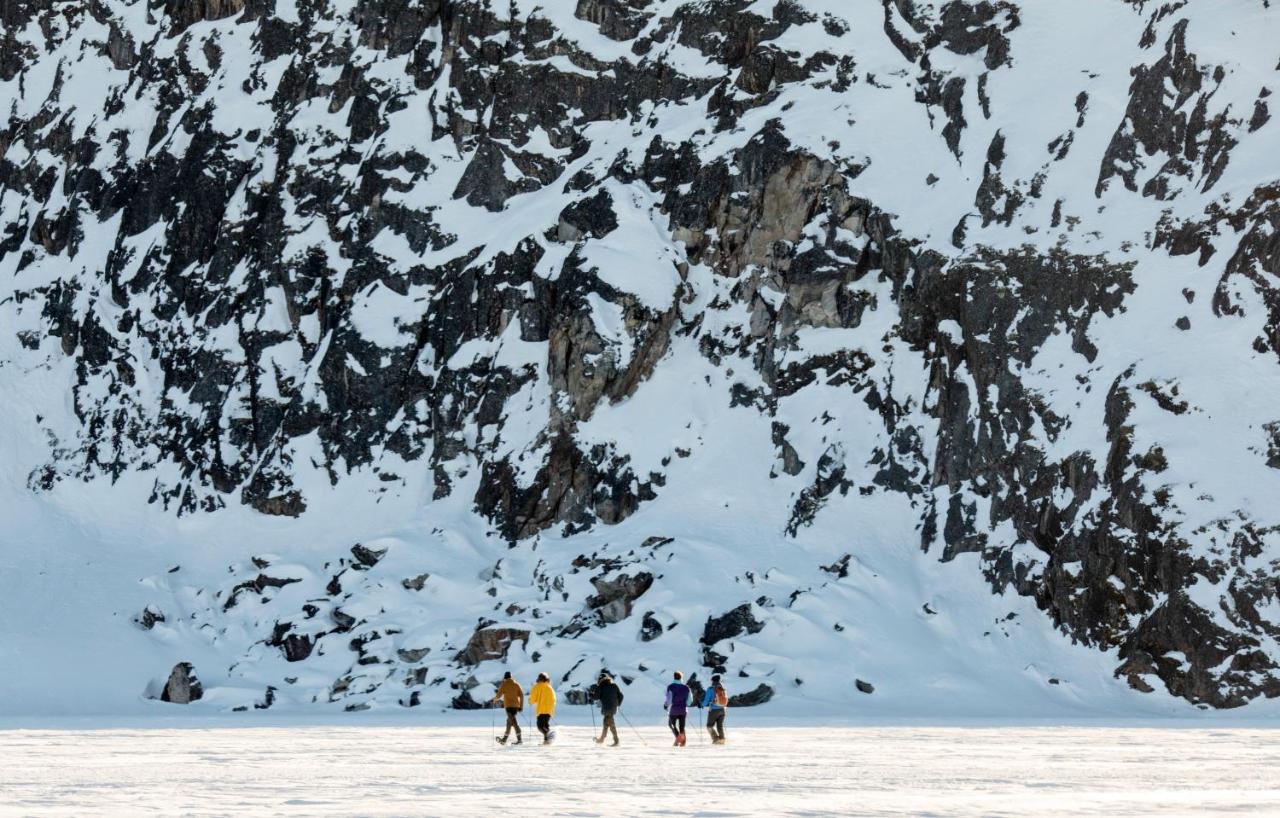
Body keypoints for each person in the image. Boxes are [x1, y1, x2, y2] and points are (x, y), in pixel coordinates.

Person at [491, 671, 524, 745]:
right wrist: (521, 706)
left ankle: (519, 740)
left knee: (513, 722)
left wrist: (494, 700)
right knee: (509, 721)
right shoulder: (516, 684)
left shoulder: (504, 684)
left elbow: (499, 695)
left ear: (505, 677)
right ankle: (504, 740)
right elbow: (521, 695)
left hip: (508, 706)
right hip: (516, 706)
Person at [592, 672, 623, 746]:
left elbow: (595, 697)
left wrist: (591, 694)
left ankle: (616, 741)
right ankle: (601, 739)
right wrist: (618, 704)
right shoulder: (614, 686)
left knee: (611, 724)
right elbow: (621, 696)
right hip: (613, 708)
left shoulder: (601, 687)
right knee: (606, 722)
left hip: (606, 708)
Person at [528, 672, 557, 744]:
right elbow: (554, 699)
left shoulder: (537, 687)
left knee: (540, 726)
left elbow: (533, 698)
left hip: (541, 710)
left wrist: (530, 701)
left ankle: (550, 734)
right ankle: (547, 741)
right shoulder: (550, 687)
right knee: (545, 725)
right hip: (549, 710)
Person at [664, 671, 690, 746]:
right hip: (683, 710)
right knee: (682, 727)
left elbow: (669, 698)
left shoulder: (671, 687)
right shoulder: (686, 687)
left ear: (674, 677)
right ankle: (683, 742)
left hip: (674, 710)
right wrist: (685, 704)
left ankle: (679, 739)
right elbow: (690, 700)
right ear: (681, 677)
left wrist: (666, 705)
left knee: (671, 725)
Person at [701, 673, 728, 744]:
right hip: (723, 709)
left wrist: (701, 705)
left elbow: (706, 701)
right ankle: (722, 739)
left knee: (709, 726)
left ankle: (716, 739)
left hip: (714, 710)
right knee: (720, 725)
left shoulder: (710, 689)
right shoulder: (722, 688)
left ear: (712, 681)